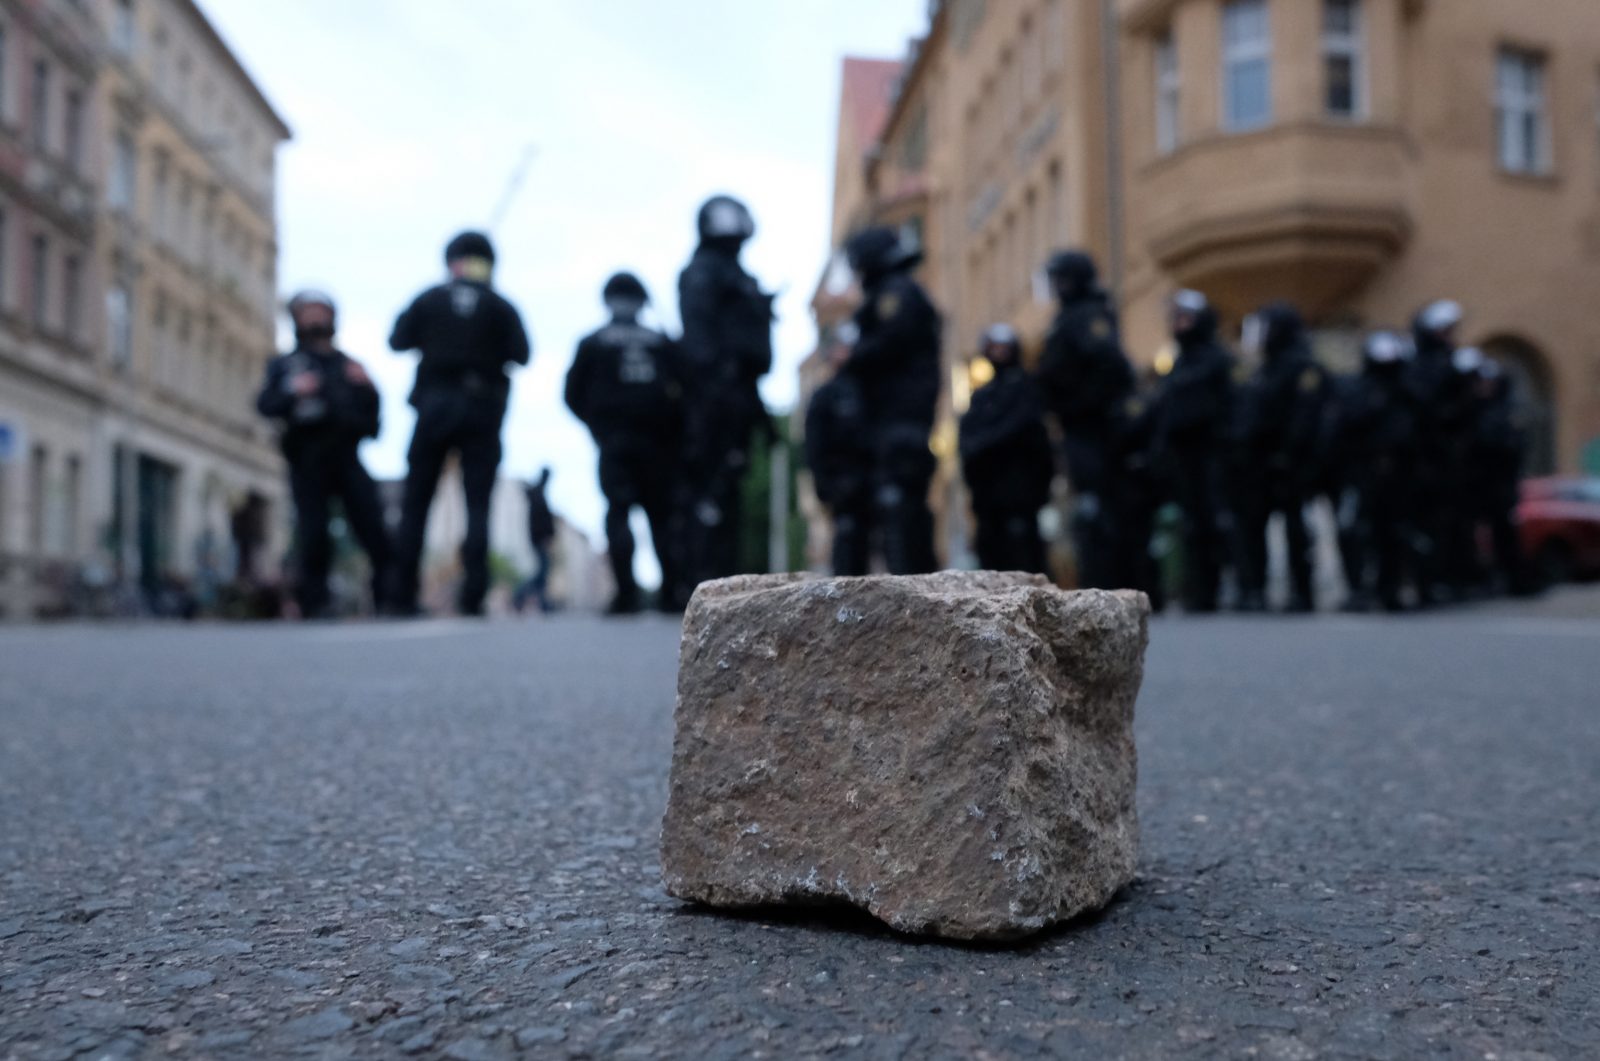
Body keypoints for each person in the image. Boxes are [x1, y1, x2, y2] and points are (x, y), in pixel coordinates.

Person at [389, 231, 531, 617]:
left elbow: (397, 340)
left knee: (416, 502)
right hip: (482, 409)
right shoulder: (500, 306)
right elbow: (522, 353)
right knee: (477, 504)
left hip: (434, 406)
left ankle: (400, 594)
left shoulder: (429, 299)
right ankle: (473, 595)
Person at [255, 290, 391, 619]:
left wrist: (369, 389)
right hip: (306, 455)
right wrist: (293, 389)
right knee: (312, 529)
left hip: (346, 453)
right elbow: (265, 404)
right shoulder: (286, 365)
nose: (316, 319)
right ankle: (314, 601)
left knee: (372, 524)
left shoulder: (348, 365)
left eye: (321, 312)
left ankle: (390, 596)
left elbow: (373, 419)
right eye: (308, 312)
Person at [565, 272, 685, 615]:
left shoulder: (595, 342)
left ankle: (627, 595)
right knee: (660, 518)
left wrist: (598, 425)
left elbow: (572, 394)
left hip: (616, 441)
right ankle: (671, 593)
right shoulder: (660, 341)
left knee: (619, 514)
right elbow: (688, 390)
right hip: (656, 444)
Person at [676, 195, 774, 598]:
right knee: (710, 492)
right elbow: (699, 338)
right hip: (713, 396)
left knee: (730, 488)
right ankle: (702, 583)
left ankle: (724, 582)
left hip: (738, 394)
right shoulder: (704, 272)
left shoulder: (735, 274)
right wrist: (716, 390)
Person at [1033, 251, 1137, 590]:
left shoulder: (1086, 316)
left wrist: (1080, 403)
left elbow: (1110, 366)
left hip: (1093, 429)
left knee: (1097, 511)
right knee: (1089, 509)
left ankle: (1106, 583)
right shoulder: (1069, 317)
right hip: (1080, 426)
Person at [842, 225, 943, 575]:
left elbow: (890, 342)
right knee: (898, 509)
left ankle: (914, 595)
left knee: (900, 508)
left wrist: (852, 357)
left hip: (901, 420)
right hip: (894, 420)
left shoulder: (896, 294)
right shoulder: (892, 293)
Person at [1233, 302, 1332, 613]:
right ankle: (1256, 590)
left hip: (1291, 462)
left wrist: (1289, 453)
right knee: (1254, 526)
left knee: (1296, 526)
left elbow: (1306, 417)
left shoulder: (1302, 367)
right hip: (1261, 463)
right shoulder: (1265, 369)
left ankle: (1302, 591)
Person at [1155, 289, 1235, 613]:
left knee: (1216, 522)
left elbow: (1228, 408)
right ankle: (1198, 590)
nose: (1180, 325)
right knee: (1191, 525)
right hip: (1184, 459)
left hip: (1213, 455)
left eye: (1186, 318)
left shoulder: (1216, 360)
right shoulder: (1178, 364)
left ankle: (1221, 588)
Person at [1334, 330, 1421, 611]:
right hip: (1362, 472)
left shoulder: (1406, 391)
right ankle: (1359, 589)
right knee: (1357, 531)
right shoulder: (1358, 390)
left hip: (1399, 474)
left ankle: (1391, 588)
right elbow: (1345, 426)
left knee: (1394, 532)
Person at [959, 324, 1053, 574]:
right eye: (994, 348)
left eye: (1004, 348)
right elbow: (968, 440)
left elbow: (1032, 438)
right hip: (989, 500)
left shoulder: (1027, 389)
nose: (999, 353)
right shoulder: (982, 397)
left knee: (1024, 560)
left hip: (1020, 496)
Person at [1407, 299, 1476, 605]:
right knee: (1427, 524)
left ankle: (1454, 578)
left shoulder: (1453, 364)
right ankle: (1428, 580)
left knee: (1453, 522)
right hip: (1423, 459)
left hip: (1450, 459)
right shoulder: (1418, 366)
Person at [804, 324, 874, 576]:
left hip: (871, 481)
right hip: (843, 486)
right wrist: (825, 485)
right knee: (848, 544)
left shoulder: (872, 391)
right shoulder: (826, 396)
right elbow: (814, 445)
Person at [1470, 358, 1530, 596]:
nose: (1484, 387)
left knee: (1504, 534)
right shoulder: (1473, 411)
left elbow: (1513, 448)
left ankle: (1512, 578)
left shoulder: (1506, 412)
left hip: (1501, 485)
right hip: (1479, 484)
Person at [515, 468, 557, 615]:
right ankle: (520, 596)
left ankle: (543, 603)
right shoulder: (538, 494)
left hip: (538, 539)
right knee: (541, 573)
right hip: (540, 540)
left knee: (543, 573)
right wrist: (546, 536)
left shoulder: (538, 493)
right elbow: (541, 521)